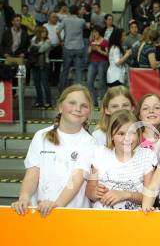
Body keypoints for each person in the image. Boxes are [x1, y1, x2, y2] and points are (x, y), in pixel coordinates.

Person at [11, 85, 97, 216]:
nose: (77, 109)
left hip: (73, 214)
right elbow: (32, 173)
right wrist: (24, 197)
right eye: (72, 103)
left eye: (84, 106)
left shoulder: (90, 142)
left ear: (89, 113)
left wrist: (56, 205)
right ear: (60, 107)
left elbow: (76, 178)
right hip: (40, 212)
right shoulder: (41, 136)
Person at [86, 110, 156, 210]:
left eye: (132, 133)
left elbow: (150, 196)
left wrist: (126, 195)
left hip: (133, 220)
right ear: (112, 136)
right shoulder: (100, 153)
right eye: (121, 134)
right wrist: (95, 192)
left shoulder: (146, 156)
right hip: (102, 218)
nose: (127, 138)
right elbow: (89, 190)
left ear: (138, 134)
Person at [58, 5, 87, 91]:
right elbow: (85, 27)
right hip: (79, 47)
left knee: (65, 70)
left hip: (67, 47)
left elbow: (57, 31)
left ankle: (62, 91)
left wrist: (61, 41)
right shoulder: (81, 21)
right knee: (78, 71)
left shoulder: (65, 20)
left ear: (69, 11)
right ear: (77, 11)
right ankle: (78, 91)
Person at [29, 26, 52, 108]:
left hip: (44, 64)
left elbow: (41, 50)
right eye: (43, 32)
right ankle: (39, 101)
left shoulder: (48, 41)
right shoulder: (34, 39)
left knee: (45, 83)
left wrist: (34, 48)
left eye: (46, 32)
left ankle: (48, 101)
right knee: (37, 83)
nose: (45, 33)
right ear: (39, 33)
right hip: (35, 64)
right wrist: (34, 48)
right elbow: (30, 49)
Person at [87, 26, 108, 107]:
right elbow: (88, 52)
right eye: (93, 32)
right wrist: (91, 48)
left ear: (99, 32)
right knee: (89, 82)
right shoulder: (92, 41)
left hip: (102, 62)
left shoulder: (105, 41)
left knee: (102, 83)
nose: (94, 33)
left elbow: (108, 54)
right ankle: (95, 101)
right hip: (93, 62)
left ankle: (103, 103)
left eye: (95, 32)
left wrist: (99, 50)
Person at [44, 12, 62, 86]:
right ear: (49, 18)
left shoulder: (60, 26)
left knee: (58, 65)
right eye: (53, 17)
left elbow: (62, 37)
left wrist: (59, 42)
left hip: (58, 47)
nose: (55, 18)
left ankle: (56, 81)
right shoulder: (45, 26)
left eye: (56, 17)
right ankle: (49, 81)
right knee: (49, 66)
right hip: (48, 47)